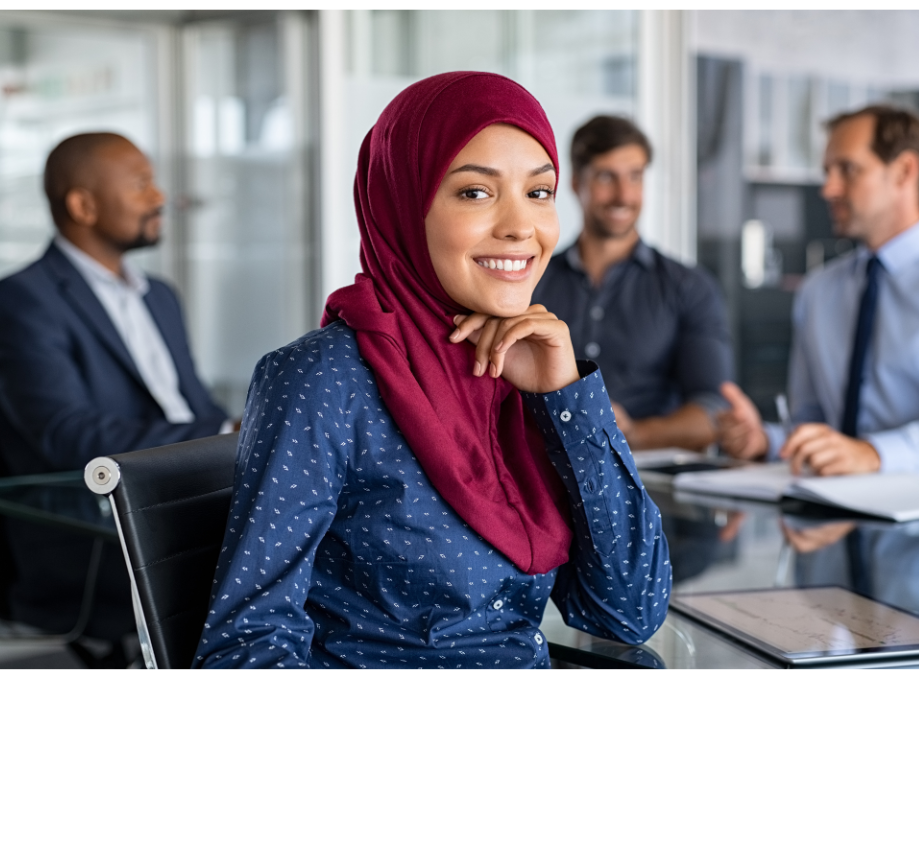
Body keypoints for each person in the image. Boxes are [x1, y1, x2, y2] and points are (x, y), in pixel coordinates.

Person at [194, 73, 672, 673]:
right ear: (403, 202)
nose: (520, 227)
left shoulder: (526, 369)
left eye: (540, 192)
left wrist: (568, 399)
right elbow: (245, 649)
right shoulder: (322, 379)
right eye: (476, 193)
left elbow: (628, 613)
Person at [717, 105, 919, 631]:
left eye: (847, 169)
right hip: (829, 552)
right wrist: (767, 441)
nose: (828, 188)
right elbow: (817, 422)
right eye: (827, 171)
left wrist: (870, 454)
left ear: (904, 172)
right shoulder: (820, 291)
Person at [0, 132, 228, 642]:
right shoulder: (21, 301)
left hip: (184, 507)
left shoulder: (160, 296)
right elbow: (67, 434)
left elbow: (193, 404)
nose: (159, 197)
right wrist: (219, 430)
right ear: (83, 205)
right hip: (97, 539)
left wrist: (235, 432)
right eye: (141, 184)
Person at [533, 116, 733, 452]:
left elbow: (715, 411)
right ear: (574, 183)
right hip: (544, 478)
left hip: (650, 486)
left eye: (635, 177)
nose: (624, 195)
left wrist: (633, 433)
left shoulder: (689, 287)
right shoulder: (533, 281)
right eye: (606, 177)